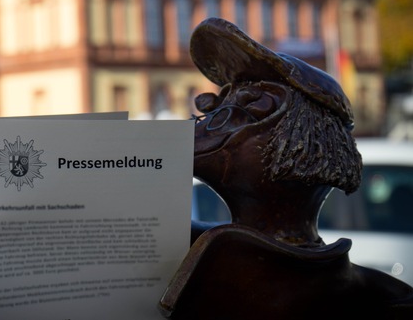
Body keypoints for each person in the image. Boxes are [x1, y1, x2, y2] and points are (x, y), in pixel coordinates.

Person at [159, 18, 413, 319]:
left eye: (255, 103)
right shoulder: (167, 250)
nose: (213, 110)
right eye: (221, 101)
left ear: (309, 139)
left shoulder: (383, 300)